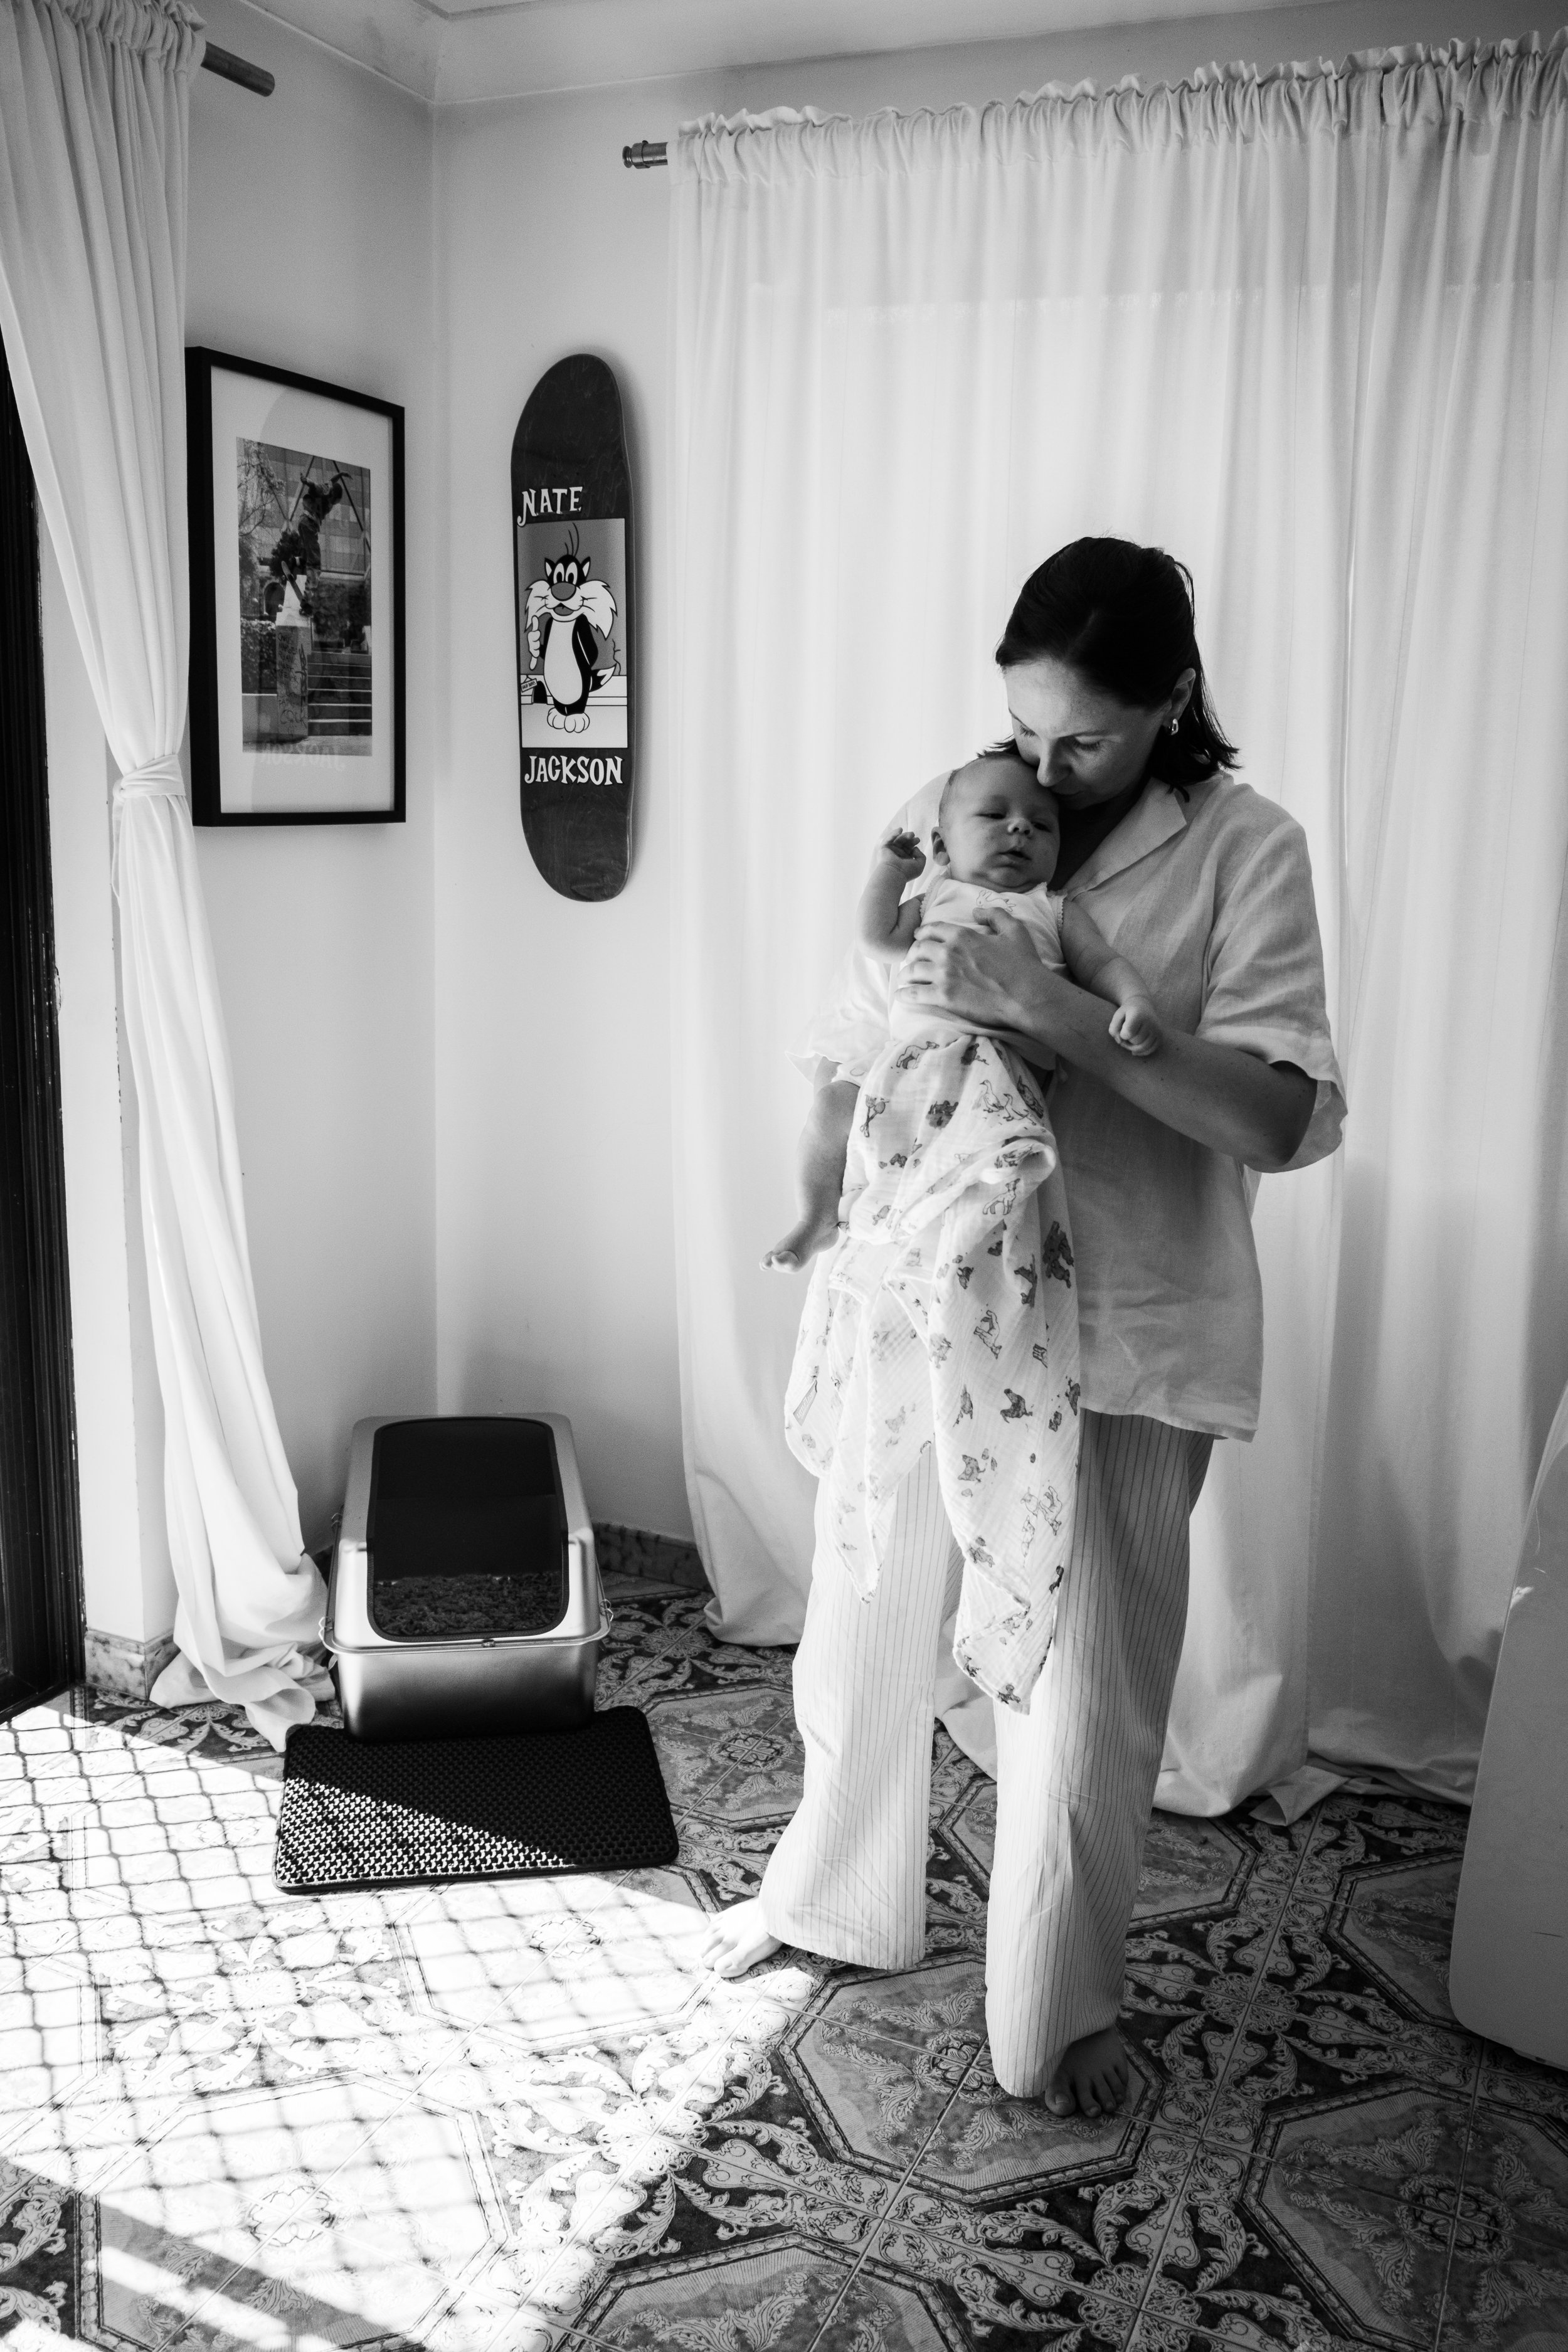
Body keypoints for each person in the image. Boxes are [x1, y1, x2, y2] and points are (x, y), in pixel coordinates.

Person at [701, 537, 1345, 2119]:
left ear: (1172, 702)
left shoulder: (1248, 849)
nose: (1048, 772)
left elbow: (1275, 1117)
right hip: (937, 1284)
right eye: (1029, 737)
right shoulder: (977, 807)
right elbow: (874, 995)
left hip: (1123, 1316)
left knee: (1085, 1686)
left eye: (1087, 745)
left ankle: (1057, 2008)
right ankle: (830, 1898)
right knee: (867, 1598)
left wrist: (1060, 1014)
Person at [763, 750, 1160, 1273]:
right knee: (833, 1105)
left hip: (1001, 1075)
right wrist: (891, 875)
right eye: (995, 816)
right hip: (906, 1065)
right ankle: (817, 1216)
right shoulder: (934, 898)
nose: (1020, 828)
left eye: (1042, 825)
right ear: (941, 844)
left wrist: (1135, 1001)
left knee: (989, 1182)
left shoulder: (1055, 909)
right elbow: (875, 940)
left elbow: (1104, 964)